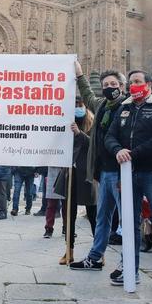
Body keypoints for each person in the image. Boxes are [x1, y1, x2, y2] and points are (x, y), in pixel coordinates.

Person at [105, 70, 152, 295]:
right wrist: (118, 150)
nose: (133, 86)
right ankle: (131, 270)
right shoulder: (125, 108)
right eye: (131, 82)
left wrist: (132, 153)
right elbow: (110, 135)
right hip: (129, 173)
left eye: (138, 82)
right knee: (129, 224)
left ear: (149, 84)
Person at [70, 64, 128, 272]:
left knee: (125, 221)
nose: (109, 87)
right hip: (104, 173)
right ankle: (95, 258)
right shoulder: (102, 105)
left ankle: (127, 264)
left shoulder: (128, 107)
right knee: (103, 217)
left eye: (113, 84)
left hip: (122, 174)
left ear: (122, 86)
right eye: (106, 85)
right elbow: (87, 94)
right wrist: (79, 74)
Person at [55, 98, 96, 265]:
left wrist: (79, 133)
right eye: (74, 106)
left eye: (80, 105)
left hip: (87, 174)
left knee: (93, 214)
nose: (77, 108)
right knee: (68, 214)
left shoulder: (93, 123)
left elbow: (94, 145)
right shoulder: (66, 122)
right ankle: (68, 250)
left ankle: (97, 252)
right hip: (70, 173)